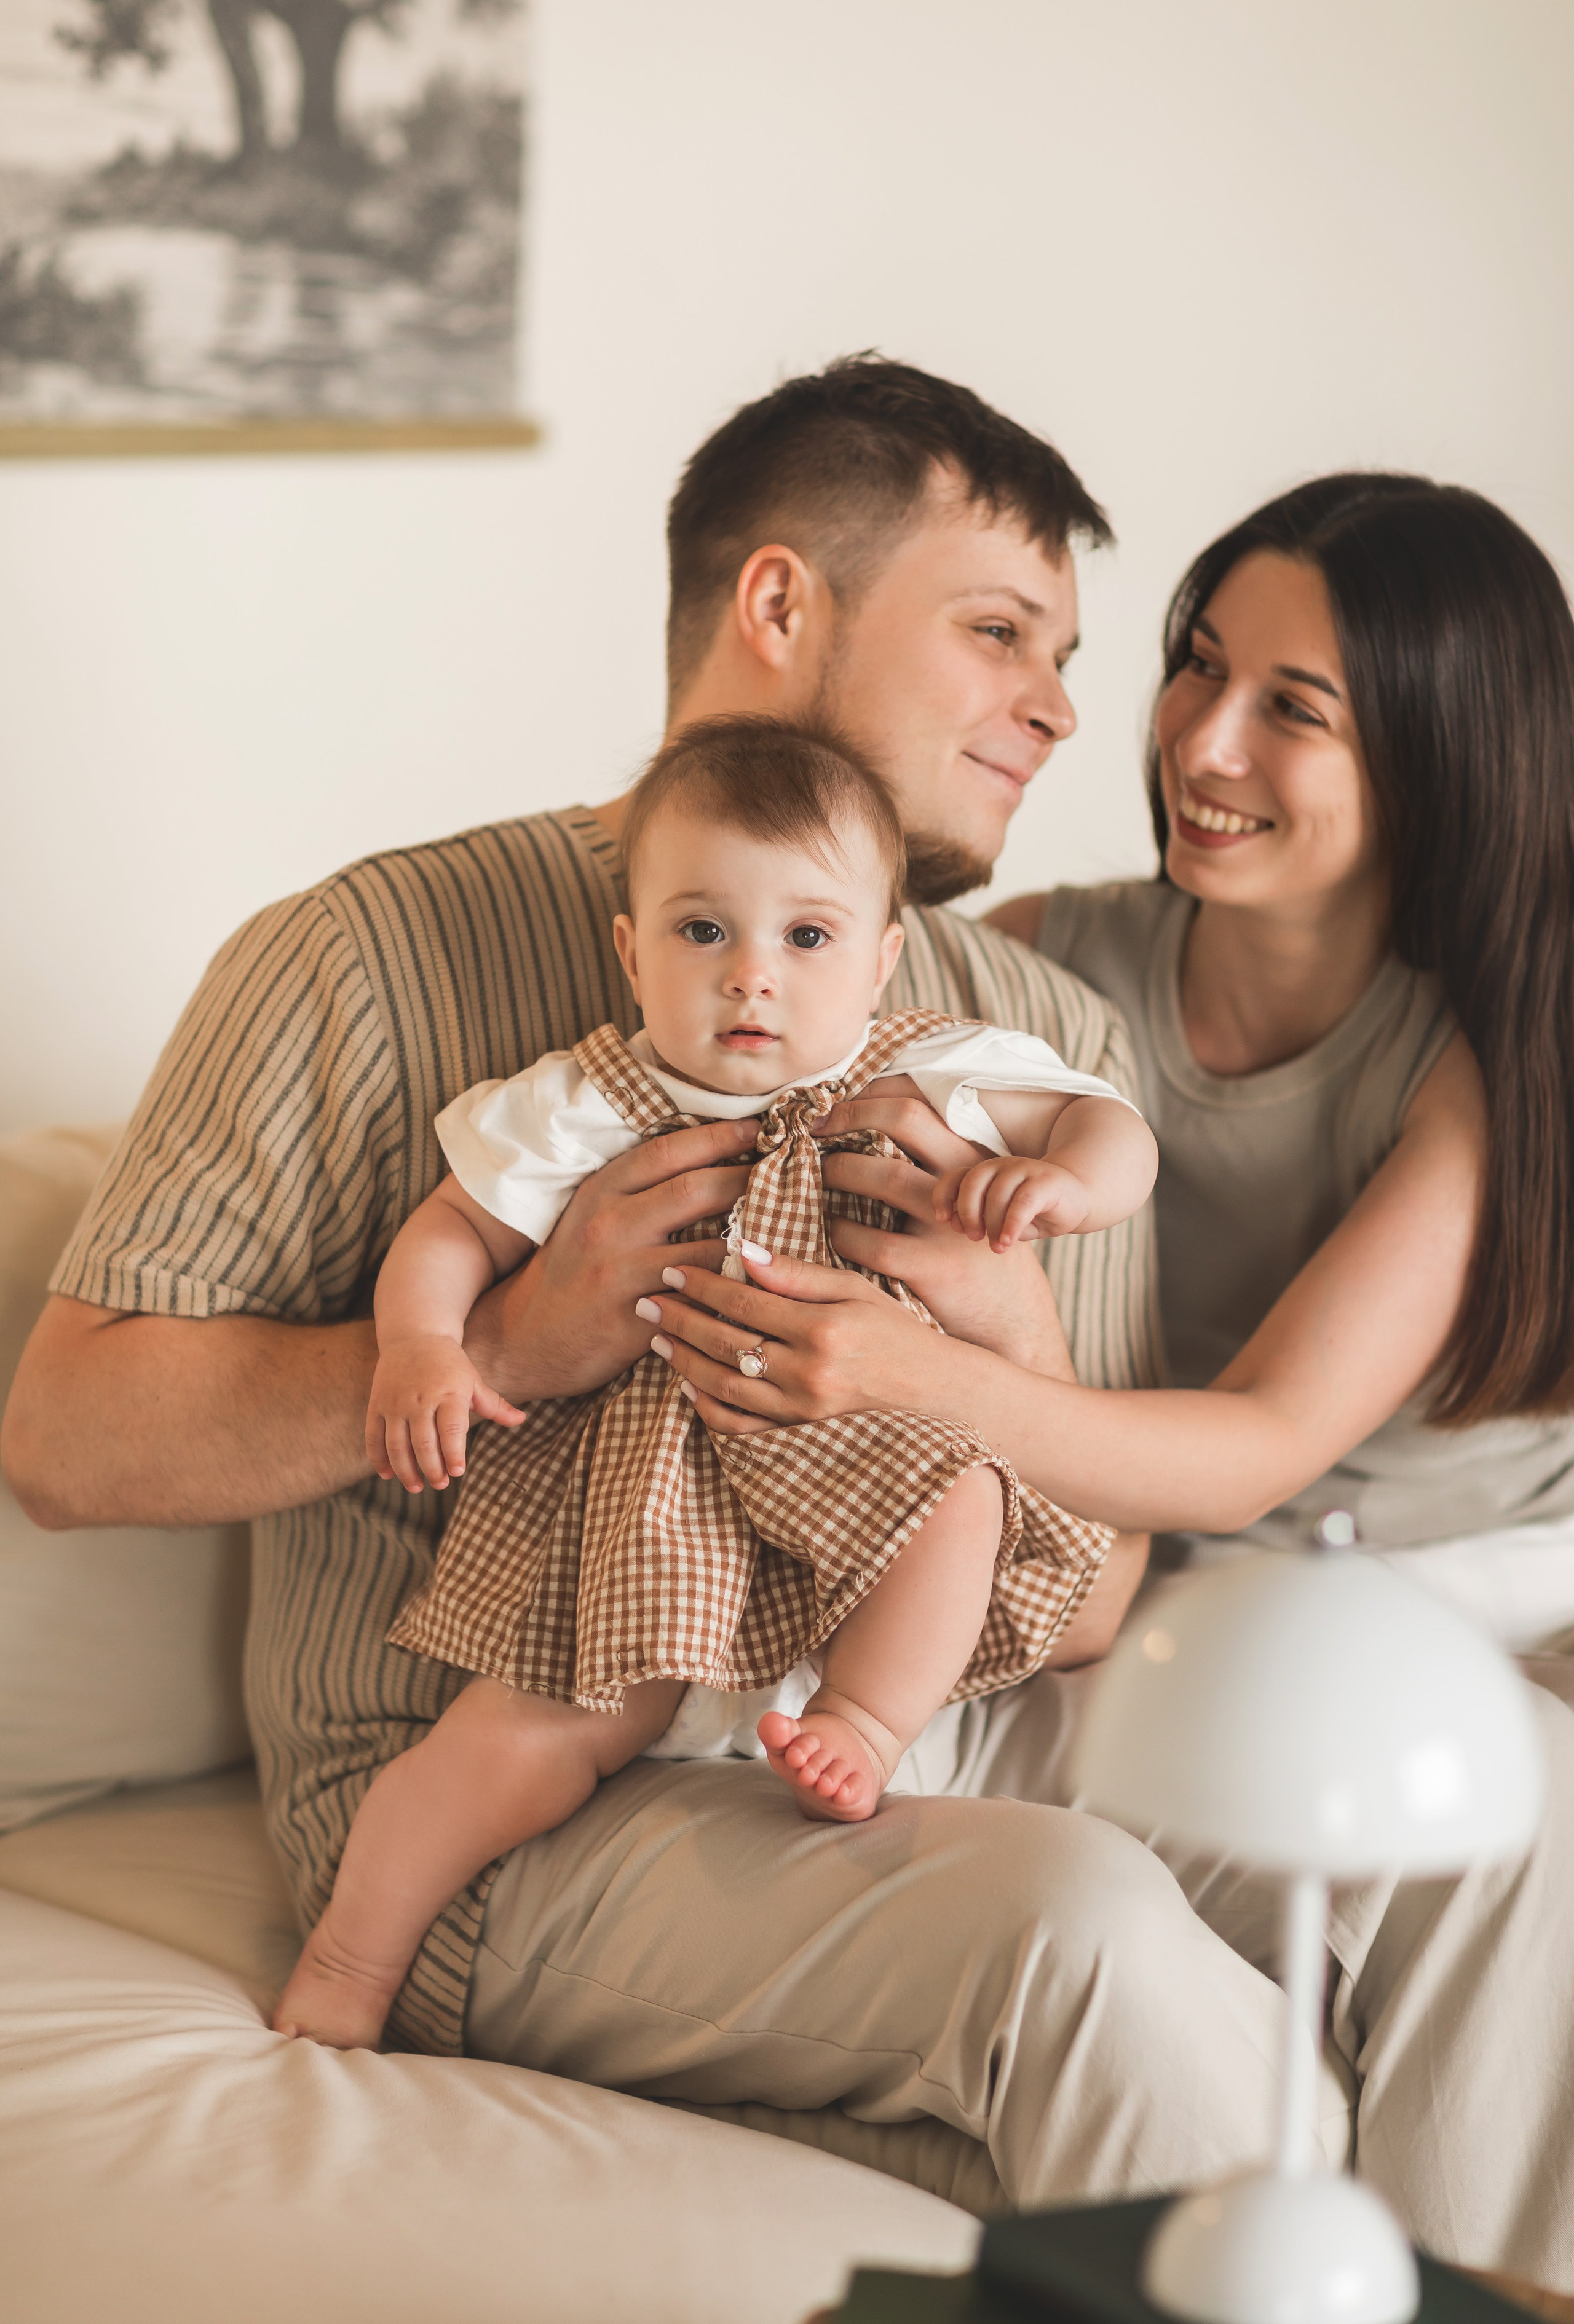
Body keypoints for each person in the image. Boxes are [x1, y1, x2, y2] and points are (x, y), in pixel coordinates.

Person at [6, 368, 1569, 2279]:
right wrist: (502, 1348)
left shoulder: (1028, 1033)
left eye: (1074, 656)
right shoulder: (363, 959)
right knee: (1081, 1937)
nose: (1067, 711)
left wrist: (1005, 1353)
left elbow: (1090, 1599)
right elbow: (63, 1442)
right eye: (1000, 633)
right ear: (778, 606)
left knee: (1515, 1819)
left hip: (912, 1708)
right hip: (542, 1757)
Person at [651, 469, 1574, 2278]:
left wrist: (912, 1376)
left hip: (1457, 1600)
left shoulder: (1481, 1049)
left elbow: (1256, 1442)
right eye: (1197, 666)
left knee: (1518, 1810)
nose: (1200, 742)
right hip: (1172, 1594)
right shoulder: (1054, 975)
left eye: (1293, 708)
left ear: (1438, 756)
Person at [274, 717, 1155, 2049]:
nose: (753, 975)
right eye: (703, 932)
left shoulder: (930, 1071)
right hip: (659, 1495)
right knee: (518, 1745)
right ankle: (351, 1956)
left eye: (806, 937)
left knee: (965, 1496)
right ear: (633, 952)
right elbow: (452, 1229)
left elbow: (1110, 1126)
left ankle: (860, 1723)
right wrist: (421, 1345)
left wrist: (1068, 1182)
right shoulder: (595, 1098)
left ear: (881, 958)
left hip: (862, 1462)